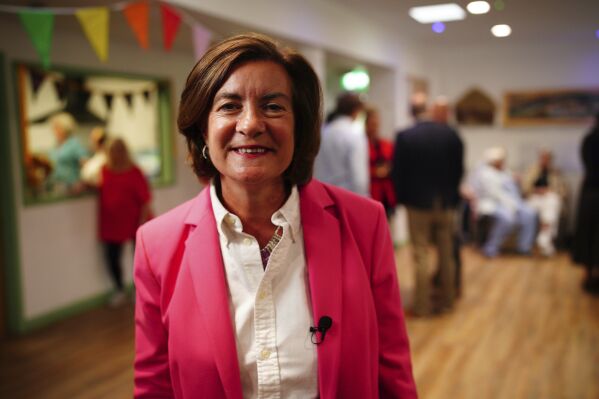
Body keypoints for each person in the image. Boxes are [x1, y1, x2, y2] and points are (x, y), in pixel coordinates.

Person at [134, 33, 417, 398]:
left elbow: (391, 368)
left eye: (273, 107)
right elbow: (155, 386)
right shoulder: (158, 243)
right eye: (229, 106)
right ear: (202, 126)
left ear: (298, 129)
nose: (250, 124)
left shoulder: (364, 223)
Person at [391, 93, 464, 316]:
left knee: (420, 254)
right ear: (430, 110)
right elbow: (459, 170)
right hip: (445, 203)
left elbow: (398, 173)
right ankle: (448, 300)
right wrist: (452, 197)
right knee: (446, 253)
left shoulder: (406, 136)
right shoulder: (451, 134)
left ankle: (422, 306)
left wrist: (402, 199)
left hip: (417, 203)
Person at [99, 138, 152, 306]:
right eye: (113, 150)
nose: (117, 153)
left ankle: (141, 291)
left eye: (120, 150)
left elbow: (145, 200)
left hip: (135, 221)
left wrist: (141, 223)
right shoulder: (104, 171)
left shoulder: (134, 172)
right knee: (112, 258)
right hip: (111, 223)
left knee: (141, 260)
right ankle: (119, 290)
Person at [471, 147, 537, 258]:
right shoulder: (486, 174)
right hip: (494, 204)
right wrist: (512, 206)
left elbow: (514, 190)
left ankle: (524, 247)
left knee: (530, 214)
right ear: (493, 161)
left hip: (514, 202)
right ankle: (491, 248)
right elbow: (495, 194)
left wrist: (517, 181)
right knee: (507, 219)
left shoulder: (506, 171)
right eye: (500, 160)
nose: (502, 162)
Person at [314, 92, 369, 196]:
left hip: (321, 195)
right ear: (356, 111)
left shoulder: (323, 131)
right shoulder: (355, 134)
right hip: (346, 198)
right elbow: (359, 179)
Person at [522, 149, 567, 256]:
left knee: (553, 202)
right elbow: (525, 188)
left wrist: (549, 190)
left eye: (547, 158)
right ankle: (546, 242)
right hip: (534, 198)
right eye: (543, 158)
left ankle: (544, 238)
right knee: (550, 207)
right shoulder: (532, 170)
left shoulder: (556, 172)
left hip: (549, 198)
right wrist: (537, 190)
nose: (545, 160)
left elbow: (563, 191)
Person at [572, 112, 599, 293]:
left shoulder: (589, 140)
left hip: (590, 192)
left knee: (590, 236)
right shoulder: (590, 140)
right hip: (593, 191)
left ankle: (588, 274)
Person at [365, 107, 396, 216]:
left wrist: (388, 168)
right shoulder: (360, 144)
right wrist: (375, 172)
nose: (375, 124)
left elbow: (393, 163)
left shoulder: (385, 143)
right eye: (372, 121)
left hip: (387, 193)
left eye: (376, 120)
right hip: (370, 193)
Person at [48, 112, 88, 194]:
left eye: (57, 127)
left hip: (72, 187)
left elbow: (85, 163)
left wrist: (82, 182)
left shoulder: (74, 144)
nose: (54, 131)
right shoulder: (55, 145)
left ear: (65, 128)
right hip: (56, 185)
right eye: (54, 128)